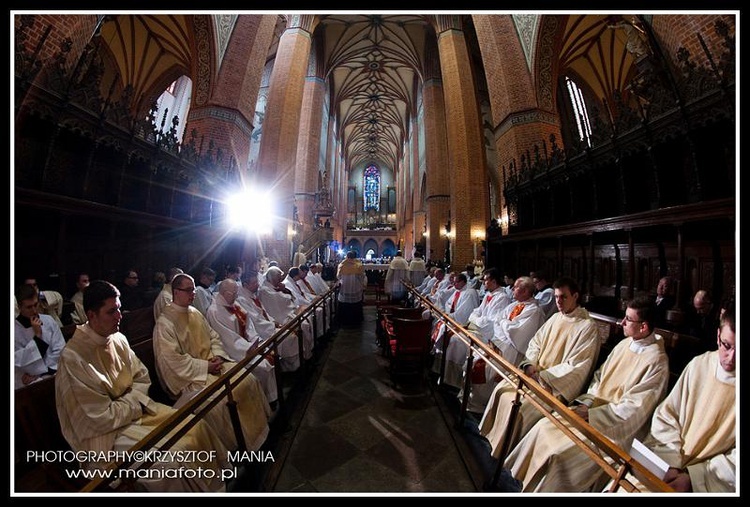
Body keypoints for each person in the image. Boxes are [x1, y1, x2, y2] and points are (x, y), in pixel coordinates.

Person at [55, 280, 228, 492]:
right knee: (170, 461)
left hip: (136, 413)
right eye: (111, 312)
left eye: (119, 309)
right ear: (91, 315)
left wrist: (129, 399)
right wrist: (134, 400)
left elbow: (142, 377)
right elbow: (99, 418)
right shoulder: (73, 358)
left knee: (195, 425)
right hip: (106, 437)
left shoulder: (117, 338)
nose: (119, 316)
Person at [504, 297, 670, 492]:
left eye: (628, 319)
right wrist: (588, 403)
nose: (622, 322)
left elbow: (636, 408)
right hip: (593, 412)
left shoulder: (657, 362)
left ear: (643, 327)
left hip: (614, 429)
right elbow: (599, 378)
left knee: (558, 454)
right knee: (542, 427)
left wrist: (593, 415)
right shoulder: (624, 345)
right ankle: (514, 484)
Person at [479, 277, 600, 459]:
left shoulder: (587, 327)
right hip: (533, 375)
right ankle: (492, 441)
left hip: (552, 385)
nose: (558, 301)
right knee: (501, 389)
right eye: (557, 297)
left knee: (518, 407)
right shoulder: (555, 318)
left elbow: (578, 365)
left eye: (563, 297)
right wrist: (530, 365)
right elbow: (535, 342)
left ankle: (507, 454)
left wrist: (543, 377)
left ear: (575, 296)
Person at [152, 274, 271, 454]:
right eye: (188, 290)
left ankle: (258, 436)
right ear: (176, 291)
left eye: (193, 289)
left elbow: (213, 337)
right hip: (193, 377)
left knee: (248, 381)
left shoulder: (195, 313)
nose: (193, 293)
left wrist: (217, 356)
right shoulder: (164, 323)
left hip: (214, 364)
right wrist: (206, 366)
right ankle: (237, 448)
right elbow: (172, 360)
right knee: (222, 404)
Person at [628, 308, 736, 493]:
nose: (731, 358)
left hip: (705, 482)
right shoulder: (699, 365)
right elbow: (667, 414)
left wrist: (693, 478)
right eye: (727, 345)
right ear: (718, 335)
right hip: (668, 464)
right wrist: (671, 462)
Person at [466, 276, 545, 414]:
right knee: (474, 362)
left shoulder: (534, 311)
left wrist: (504, 324)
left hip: (512, 350)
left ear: (525, 291)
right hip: (499, 342)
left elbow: (517, 333)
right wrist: (505, 325)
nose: (512, 289)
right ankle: (473, 402)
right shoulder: (514, 305)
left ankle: (485, 406)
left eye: (516, 287)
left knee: (485, 370)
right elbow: (498, 321)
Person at [205, 279, 278, 405]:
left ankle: (271, 396)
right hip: (235, 352)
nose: (236, 296)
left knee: (271, 355)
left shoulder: (234, 304)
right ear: (226, 294)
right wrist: (248, 348)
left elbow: (248, 324)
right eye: (234, 293)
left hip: (248, 345)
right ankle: (265, 400)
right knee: (263, 367)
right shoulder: (214, 312)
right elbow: (227, 338)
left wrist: (254, 340)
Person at [430, 273, 480, 389]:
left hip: (463, 324)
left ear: (463, 282)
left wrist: (449, 316)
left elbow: (464, 313)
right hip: (454, 319)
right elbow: (448, 304)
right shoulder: (458, 290)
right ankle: (438, 367)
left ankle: (450, 378)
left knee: (454, 341)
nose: (453, 284)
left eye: (456, 282)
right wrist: (448, 314)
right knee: (440, 326)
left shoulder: (470, 293)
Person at [259, 266, 314, 370]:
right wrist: (284, 291)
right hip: (280, 317)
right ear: (273, 278)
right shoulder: (264, 290)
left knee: (305, 324)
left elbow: (286, 297)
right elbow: (280, 301)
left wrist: (284, 290)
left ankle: (307, 355)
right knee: (301, 328)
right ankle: (296, 365)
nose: (280, 280)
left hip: (285, 314)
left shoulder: (272, 286)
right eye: (279, 278)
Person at [15, 283, 65, 389]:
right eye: (29, 307)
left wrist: (41, 372)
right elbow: (20, 360)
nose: (34, 310)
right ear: (19, 307)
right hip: (26, 380)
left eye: (35, 305)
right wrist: (37, 336)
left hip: (52, 372)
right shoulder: (15, 329)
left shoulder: (48, 321)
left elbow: (60, 350)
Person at [336, 250, 367, 325]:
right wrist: (363, 285)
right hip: (355, 288)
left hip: (345, 289)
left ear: (347, 256)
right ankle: (355, 321)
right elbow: (362, 277)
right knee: (355, 305)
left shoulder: (341, 265)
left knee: (345, 304)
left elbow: (338, 276)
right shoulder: (359, 265)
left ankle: (344, 320)